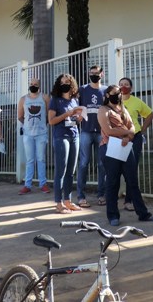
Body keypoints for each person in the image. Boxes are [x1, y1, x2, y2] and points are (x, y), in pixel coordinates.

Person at [98, 84, 153, 226]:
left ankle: (143, 214)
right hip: (110, 148)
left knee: (132, 181)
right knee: (112, 182)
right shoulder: (103, 110)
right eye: (115, 93)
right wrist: (127, 133)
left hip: (126, 147)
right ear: (107, 95)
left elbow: (132, 126)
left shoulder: (122, 108)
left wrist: (129, 136)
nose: (118, 95)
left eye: (119, 93)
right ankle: (113, 216)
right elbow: (108, 131)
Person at [48, 73, 83, 213]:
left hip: (75, 135)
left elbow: (74, 118)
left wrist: (78, 117)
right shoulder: (55, 100)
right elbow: (51, 121)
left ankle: (68, 201)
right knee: (60, 171)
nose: (65, 84)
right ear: (58, 84)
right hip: (61, 137)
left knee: (71, 171)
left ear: (72, 84)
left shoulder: (75, 100)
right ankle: (58, 203)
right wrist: (66, 114)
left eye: (67, 82)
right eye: (62, 82)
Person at [119, 77, 153, 211]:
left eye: (126, 85)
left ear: (131, 88)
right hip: (119, 139)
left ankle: (129, 200)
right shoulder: (115, 101)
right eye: (121, 85)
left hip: (135, 138)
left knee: (131, 169)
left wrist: (142, 130)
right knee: (119, 169)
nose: (124, 87)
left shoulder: (136, 101)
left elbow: (150, 114)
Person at [76, 65, 106, 206]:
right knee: (83, 163)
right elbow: (76, 106)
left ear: (102, 74)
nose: (94, 75)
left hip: (102, 132)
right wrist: (77, 116)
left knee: (102, 164)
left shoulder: (106, 90)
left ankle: (102, 195)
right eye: (91, 73)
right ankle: (81, 196)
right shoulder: (82, 89)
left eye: (96, 73)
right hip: (86, 131)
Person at [17, 78, 50, 194]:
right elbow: (20, 116)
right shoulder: (23, 99)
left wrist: (42, 125)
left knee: (41, 159)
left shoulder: (45, 97)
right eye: (31, 84)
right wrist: (27, 125)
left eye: (35, 84)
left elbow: (48, 114)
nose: (33, 86)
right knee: (30, 160)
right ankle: (27, 185)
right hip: (28, 134)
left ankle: (43, 184)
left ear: (39, 86)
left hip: (41, 133)